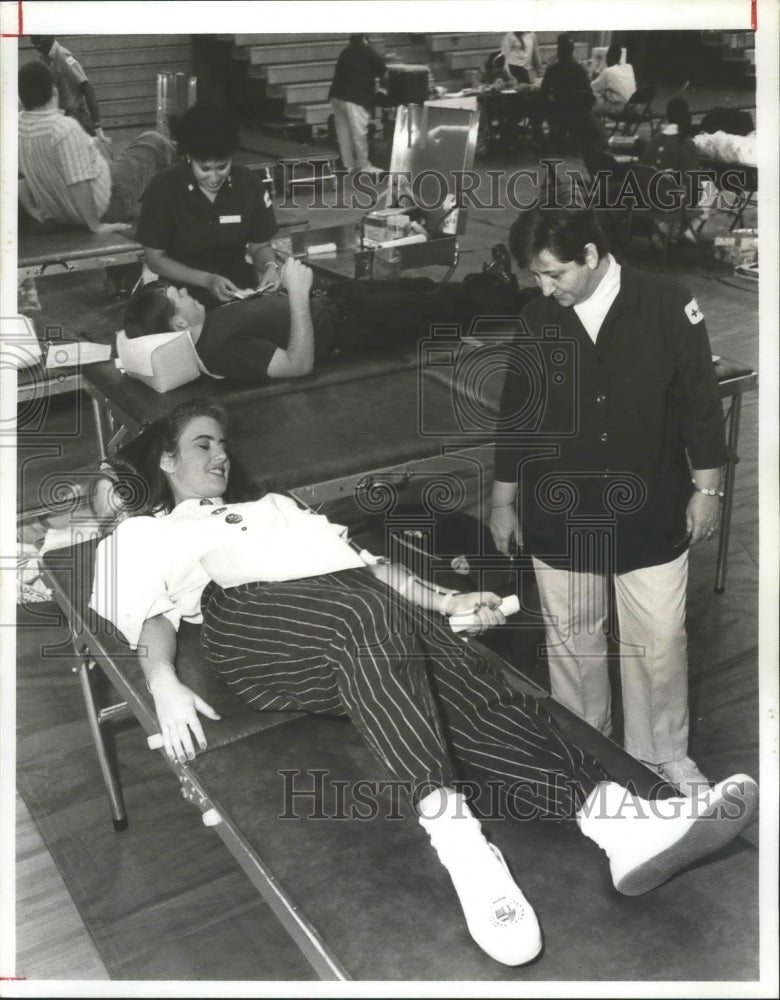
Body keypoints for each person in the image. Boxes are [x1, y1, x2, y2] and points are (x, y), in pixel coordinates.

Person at [88, 397, 758, 967]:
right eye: (202, 444)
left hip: (355, 606)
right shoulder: (152, 531)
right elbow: (148, 614)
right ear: (167, 462)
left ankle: (621, 828)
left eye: (224, 444)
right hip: (254, 619)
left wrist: (445, 603)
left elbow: (370, 564)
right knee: (372, 614)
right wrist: (162, 680)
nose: (221, 455)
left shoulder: (274, 507)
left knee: (456, 667)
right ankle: (464, 850)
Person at [489, 206, 726, 798]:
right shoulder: (538, 319)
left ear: (591, 256)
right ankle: (587, 750)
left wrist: (709, 488)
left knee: (661, 639)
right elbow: (516, 416)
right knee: (574, 638)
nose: (545, 289)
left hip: (650, 506)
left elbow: (699, 401)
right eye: (537, 277)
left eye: (555, 274)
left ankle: (663, 753)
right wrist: (502, 501)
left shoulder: (668, 303)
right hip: (559, 509)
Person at [121, 251, 538, 383]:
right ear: (178, 324)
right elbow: (298, 364)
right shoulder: (217, 352)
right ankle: (528, 302)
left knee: (425, 288)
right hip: (354, 326)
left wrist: (270, 293)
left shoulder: (209, 326)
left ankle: (498, 285)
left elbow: (265, 323)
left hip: (342, 301)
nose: (185, 291)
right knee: (447, 307)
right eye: (178, 294)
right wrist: (298, 295)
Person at [135, 103, 280, 312]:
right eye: (204, 169)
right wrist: (207, 280)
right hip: (183, 300)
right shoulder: (163, 187)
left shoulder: (248, 184)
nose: (213, 178)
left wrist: (270, 267)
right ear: (188, 157)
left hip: (240, 293)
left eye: (222, 167)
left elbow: (260, 247)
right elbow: (155, 259)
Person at [17, 61, 175, 233]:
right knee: (153, 140)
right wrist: (96, 226)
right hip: (106, 205)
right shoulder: (63, 128)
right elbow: (78, 182)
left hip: (61, 213)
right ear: (54, 90)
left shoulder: (17, 126)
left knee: (98, 144)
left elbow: (20, 176)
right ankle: (195, 165)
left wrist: (32, 209)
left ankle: (152, 187)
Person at [328, 34, 386, 176]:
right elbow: (382, 70)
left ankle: (349, 165)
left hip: (337, 96)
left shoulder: (345, 51)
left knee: (344, 133)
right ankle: (364, 165)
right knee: (359, 133)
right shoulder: (367, 50)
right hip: (355, 98)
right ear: (365, 38)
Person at [537, 34, 605, 153]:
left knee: (537, 107)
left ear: (558, 51)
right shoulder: (580, 69)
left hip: (559, 111)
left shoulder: (553, 70)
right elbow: (588, 92)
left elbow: (543, 92)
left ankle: (542, 140)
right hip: (579, 112)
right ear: (572, 52)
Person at [29, 35, 104, 137]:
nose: (34, 41)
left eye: (38, 36)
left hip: (77, 118)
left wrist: (97, 127)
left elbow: (87, 88)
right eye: (32, 37)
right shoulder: (44, 58)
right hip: (61, 119)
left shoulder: (63, 56)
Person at [590, 41, 637, 118]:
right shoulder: (629, 67)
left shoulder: (608, 71)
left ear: (607, 57)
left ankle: (597, 129)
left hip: (620, 109)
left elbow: (593, 87)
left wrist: (595, 76)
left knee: (592, 106)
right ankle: (626, 130)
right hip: (634, 108)